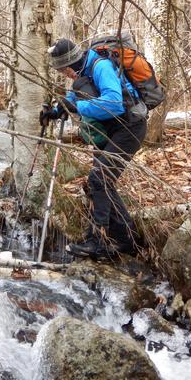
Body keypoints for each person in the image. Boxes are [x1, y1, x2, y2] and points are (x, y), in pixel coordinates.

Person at [43, 38, 147, 259]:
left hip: (129, 128)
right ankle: (127, 240)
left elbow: (114, 103)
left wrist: (77, 106)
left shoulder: (100, 66)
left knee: (99, 179)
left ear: (71, 63)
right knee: (100, 183)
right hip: (112, 131)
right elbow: (75, 96)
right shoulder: (83, 71)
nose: (65, 74)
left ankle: (97, 243)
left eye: (64, 70)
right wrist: (55, 110)